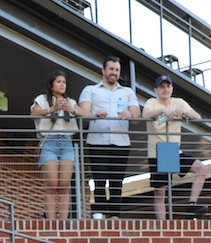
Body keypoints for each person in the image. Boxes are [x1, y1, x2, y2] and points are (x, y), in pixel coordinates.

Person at [77, 57, 140, 217]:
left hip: (121, 143)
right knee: (99, 179)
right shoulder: (90, 89)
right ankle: (98, 214)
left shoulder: (127, 92)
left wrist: (130, 114)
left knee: (117, 181)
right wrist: (95, 114)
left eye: (117, 70)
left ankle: (114, 216)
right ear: (103, 71)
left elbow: (137, 117)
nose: (114, 73)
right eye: (111, 69)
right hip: (97, 141)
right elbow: (83, 114)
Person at [142, 75, 208, 220]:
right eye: (162, 87)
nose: (165, 89)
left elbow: (197, 116)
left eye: (168, 86)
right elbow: (145, 114)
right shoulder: (152, 102)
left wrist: (183, 112)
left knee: (201, 169)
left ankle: (192, 205)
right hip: (157, 152)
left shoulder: (178, 102)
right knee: (160, 192)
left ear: (172, 88)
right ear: (156, 90)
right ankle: (163, 226)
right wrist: (162, 112)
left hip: (173, 150)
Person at [30, 72, 79, 220]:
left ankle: (63, 223)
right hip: (49, 140)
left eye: (64, 82)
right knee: (52, 184)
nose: (62, 84)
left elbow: (85, 113)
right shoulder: (42, 99)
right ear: (51, 85)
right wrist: (52, 109)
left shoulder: (70, 102)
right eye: (59, 82)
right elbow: (33, 114)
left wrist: (72, 110)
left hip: (67, 141)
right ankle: (51, 222)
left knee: (64, 185)